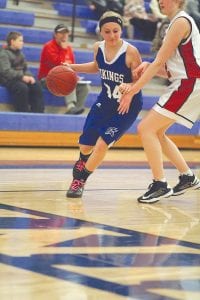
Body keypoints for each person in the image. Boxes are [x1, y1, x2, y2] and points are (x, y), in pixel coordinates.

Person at [118, 0, 200, 203]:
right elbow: (169, 67)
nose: (160, 1)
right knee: (157, 131)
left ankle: (160, 184)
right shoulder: (175, 23)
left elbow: (159, 63)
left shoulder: (180, 22)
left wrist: (133, 89)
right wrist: (147, 65)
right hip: (185, 81)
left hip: (189, 84)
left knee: (145, 128)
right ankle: (187, 176)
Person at [66, 11, 143, 198]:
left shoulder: (131, 52)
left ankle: (80, 180)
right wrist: (71, 67)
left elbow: (141, 80)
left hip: (126, 106)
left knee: (101, 145)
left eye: (116, 31)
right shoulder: (97, 47)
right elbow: (97, 66)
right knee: (85, 146)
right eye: (107, 31)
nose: (112, 36)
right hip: (105, 101)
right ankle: (83, 160)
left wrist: (130, 89)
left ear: (121, 30)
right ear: (100, 32)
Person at [38, 24, 90, 115]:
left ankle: (76, 110)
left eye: (66, 33)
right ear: (55, 34)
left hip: (61, 77)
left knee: (85, 87)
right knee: (67, 80)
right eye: (61, 33)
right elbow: (58, 65)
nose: (64, 35)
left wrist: (75, 77)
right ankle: (71, 106)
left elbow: (72, 66)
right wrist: (63, 49)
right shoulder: (49, 46)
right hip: (47, 79)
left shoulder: (68, 48)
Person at [0, 31, 44, 113]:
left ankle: (38, 113)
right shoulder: (3, 54)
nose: (22, 43)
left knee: (36, 85)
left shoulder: (21, 54)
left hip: (19, 78)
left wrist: (29, 76)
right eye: (20, 40)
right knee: (22, 88)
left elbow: (25, 69)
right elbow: (6, 71)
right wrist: (22, 77)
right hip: (7, 79)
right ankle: (23, 113)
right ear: (12, 41)